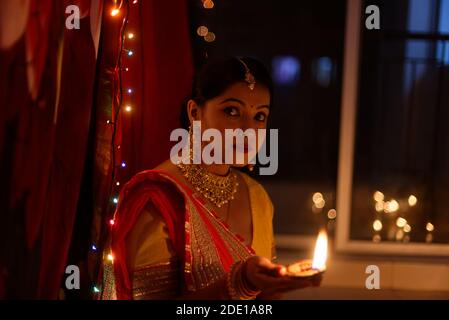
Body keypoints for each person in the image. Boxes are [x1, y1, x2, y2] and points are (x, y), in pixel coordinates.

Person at [101, 57, 321, 300]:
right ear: (195, 113)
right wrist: (240, 283)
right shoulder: (158, 197)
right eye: (232, 111)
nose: (248, 130)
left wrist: (281, 281)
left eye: (259, 116)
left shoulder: (258, 198)